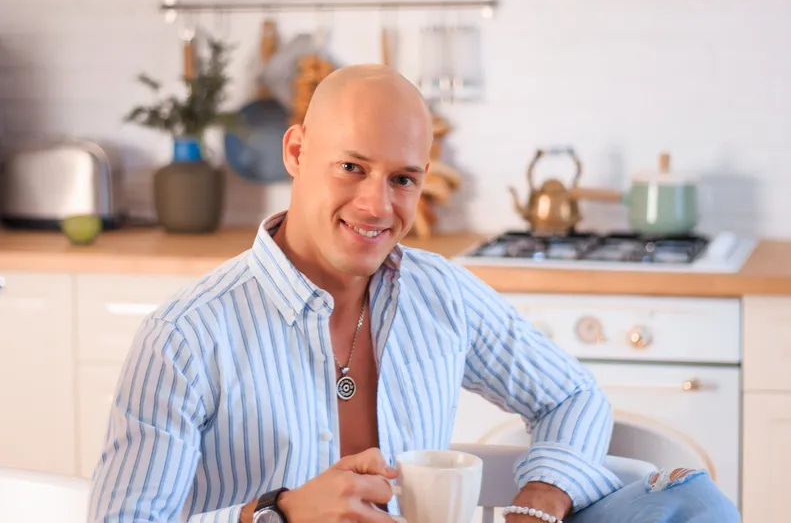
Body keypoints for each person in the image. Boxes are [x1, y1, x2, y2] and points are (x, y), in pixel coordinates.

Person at [87, 64, 739, 523]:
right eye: (351, 167)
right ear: (296, 151)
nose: (377, 206)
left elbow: (570, 395)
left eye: (402, 179)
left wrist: (537, 504)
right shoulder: (184, 336)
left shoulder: (439, 292)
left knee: (694, 504)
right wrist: (278, 513)